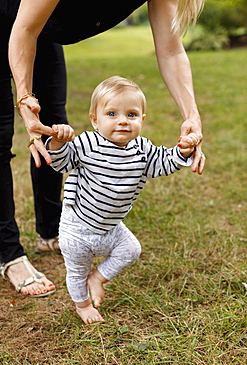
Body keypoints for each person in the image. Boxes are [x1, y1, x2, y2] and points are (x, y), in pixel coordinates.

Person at [45, 76, 200, 323]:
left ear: (142, 119)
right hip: (78, 227)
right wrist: (57, 142)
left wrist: (182, 150)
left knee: (131, 250)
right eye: (112, 114)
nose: (122, 121)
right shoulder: (87, 143)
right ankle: (83, 305)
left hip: (110, 226)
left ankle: (98, 277)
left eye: (131, 115)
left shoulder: (143, 149)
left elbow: (163, 162)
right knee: (77, 272)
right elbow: (61, 162)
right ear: (94, 119)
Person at [8, 0, 206, 175]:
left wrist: (192, 115)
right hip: (13, 19)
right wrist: (24, 97)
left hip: (44, 26)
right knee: (2, 131)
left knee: (53, 127)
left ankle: (52, 219)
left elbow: (171, 51)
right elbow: (25, 29)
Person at [0, 1, 68, 297]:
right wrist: (23, 96)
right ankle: (8, 254)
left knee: (52, 125)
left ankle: (50, 231)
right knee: (0, 140)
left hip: (38, 19)